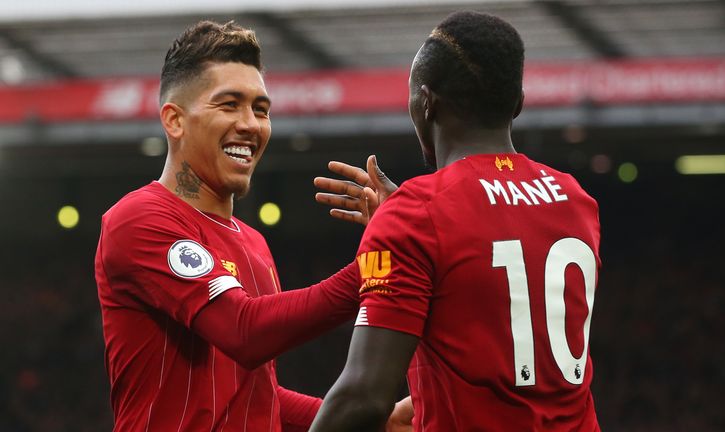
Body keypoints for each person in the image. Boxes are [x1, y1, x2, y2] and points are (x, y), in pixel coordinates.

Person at [94, 21, 410, 431]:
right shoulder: (139, 219)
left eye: (261, 110)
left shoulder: (255, 243)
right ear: (174, 120)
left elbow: (256, 394)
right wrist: (380, 261)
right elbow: (244, 331)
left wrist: (375, 423)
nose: (251, 124)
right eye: (229, 105)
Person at [309, 11, 602, 432]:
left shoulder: (416, 215)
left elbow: (364, 396)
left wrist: (404, 220)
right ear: (518, 103)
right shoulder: (576, 200)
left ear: (426, 102)